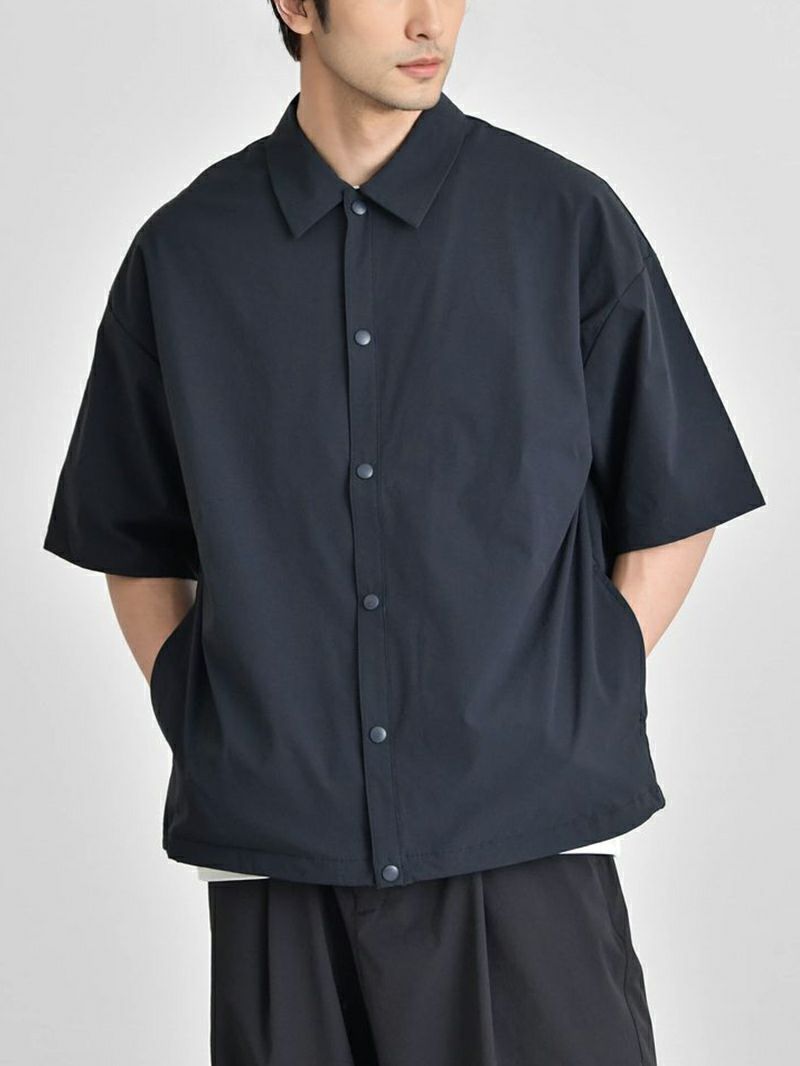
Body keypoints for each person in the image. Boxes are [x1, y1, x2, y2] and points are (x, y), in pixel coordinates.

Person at [42, 1, 766, 1063]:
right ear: (297, 5)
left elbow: (673, 491)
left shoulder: (561, 220)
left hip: (523, 842)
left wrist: (579, 680)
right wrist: (209, 714)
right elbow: (132, 538)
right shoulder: (186, 252)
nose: (431, 20)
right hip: (282, 854)